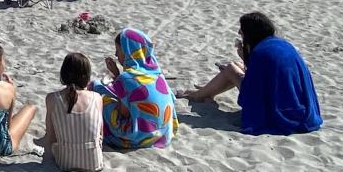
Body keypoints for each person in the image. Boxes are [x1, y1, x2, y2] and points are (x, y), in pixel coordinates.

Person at [178, 12, 322, 136]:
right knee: (237, 67)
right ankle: (205, 91)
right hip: (301, 109)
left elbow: (253, 91)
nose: (240, 34)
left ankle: (198, 95)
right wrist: (245, 61)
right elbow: (265, 77)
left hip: (279, 111)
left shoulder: (260, 53)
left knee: (230, 69)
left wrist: (245, 59)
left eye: (242, 32)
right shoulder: (281, 44)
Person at [91, 28, 177, 150]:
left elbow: (123, 112)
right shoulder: (157, 74)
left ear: (128, 52)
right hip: (162, 133)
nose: (116, 55)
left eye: (118, 50)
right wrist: (117, 76)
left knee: (98, 91)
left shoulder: (126, 78)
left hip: (138, 137)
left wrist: (116, 78)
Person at [40, 52, 103, 172]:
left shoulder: (52, 99)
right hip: (94, 162)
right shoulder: (97, 98)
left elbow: (51, 136)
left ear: (63, 75)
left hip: (65, 162)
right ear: (87, 77)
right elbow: (100, 135)